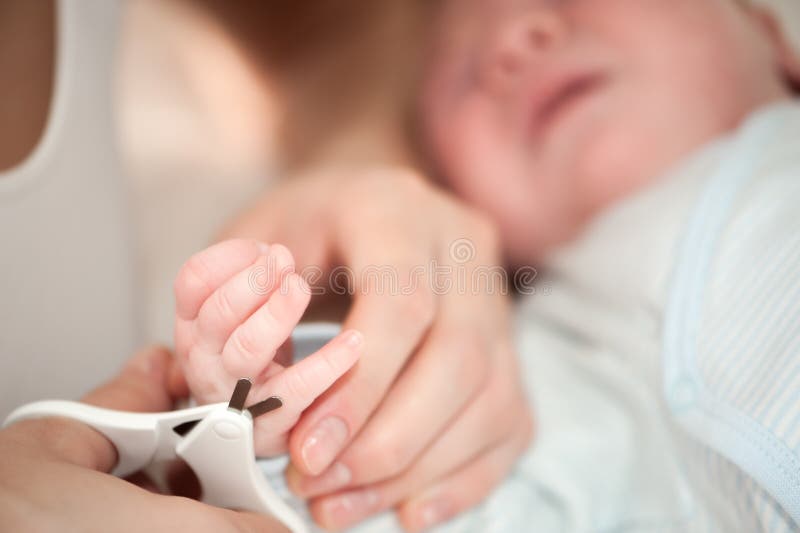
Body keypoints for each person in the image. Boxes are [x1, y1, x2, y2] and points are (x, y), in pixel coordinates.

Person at [219, 0, 800, 531]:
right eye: (460, 73)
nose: (514, 41)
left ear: (769, 32)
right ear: (457, 193)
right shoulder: (531, 374)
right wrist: (286, 424)